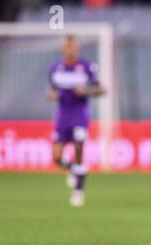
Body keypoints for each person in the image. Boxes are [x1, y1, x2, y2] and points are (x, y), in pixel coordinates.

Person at [47, 35, 106, 207]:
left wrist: (86, 90)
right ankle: (73, 169)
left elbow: (101, 89)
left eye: (73, 46)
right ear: (63, 48)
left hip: (80, 115)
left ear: (77, 48)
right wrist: (51, 95)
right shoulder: (56, 69)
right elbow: (52, 90)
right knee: (56, 157)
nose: (70, 49)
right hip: (62, 117)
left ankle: (78, 191)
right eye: (67, 46)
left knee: (79, 147)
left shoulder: (87, 67)